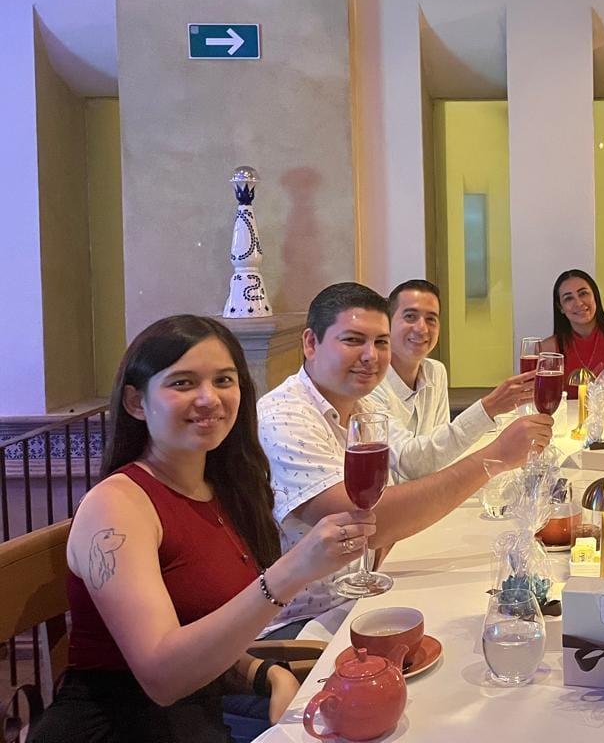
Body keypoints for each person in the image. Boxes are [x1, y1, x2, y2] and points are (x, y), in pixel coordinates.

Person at [29, 316, 375, 743]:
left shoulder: (221, 488)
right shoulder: (116, 506)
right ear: (136, 402)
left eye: (224, 380)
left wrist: (265, 674)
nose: (209, 398)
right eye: (183, 383)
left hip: (195, 720)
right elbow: (163, 678)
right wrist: (291, 571)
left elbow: (197, 625)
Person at [257, 282, 552, 637]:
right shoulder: (284, 416)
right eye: (353, 340)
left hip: (369, 590)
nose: (371, 356)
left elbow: (403, 477)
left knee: (497, 613)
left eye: (380, 342)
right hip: (307, 622)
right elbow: (365, 521)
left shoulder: (364, 407)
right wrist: (495, 457)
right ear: (310, 343)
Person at [365, 278, 534, 479]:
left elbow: (440, 456)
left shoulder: (435, 372)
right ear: (387, 324)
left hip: (428, 492)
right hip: (385, 497)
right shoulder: (369, 383)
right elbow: (408, 462)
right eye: (410, 316)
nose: (422, 328)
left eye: (431, 319)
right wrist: (488, 408)